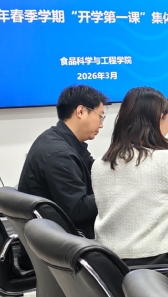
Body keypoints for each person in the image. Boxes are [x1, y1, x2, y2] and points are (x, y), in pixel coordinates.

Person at [91, 87, 168, 274]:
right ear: (159, 119)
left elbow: (136, 199)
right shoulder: (163, 161)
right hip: (156, 270)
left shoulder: (100, 165)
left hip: (113, 268)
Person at [18, 85, 106, 238]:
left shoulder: (59, 138)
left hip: (53, 235)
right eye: (100, 116)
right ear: (80, 112)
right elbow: (78, 210)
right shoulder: (59, 154)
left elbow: (94, 169)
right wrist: (114, 193)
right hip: (61, 240)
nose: (101, 124)